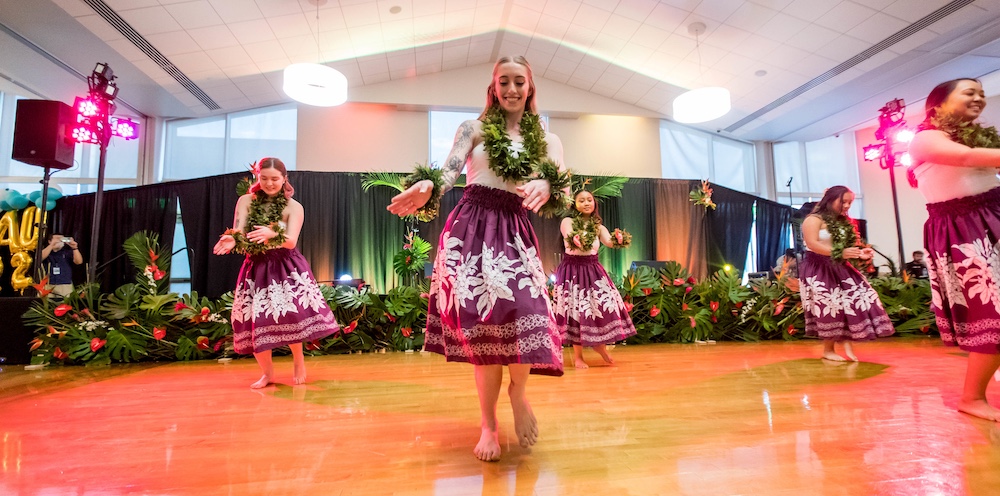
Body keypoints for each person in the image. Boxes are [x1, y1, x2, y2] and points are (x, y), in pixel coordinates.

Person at [387, 55, 567, 461]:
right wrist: (427, 185)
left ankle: (518, 391)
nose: (511, 89)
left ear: (530, 86)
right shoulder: (474, 129)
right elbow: (450, 170)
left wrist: (546, 182)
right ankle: (488, 424)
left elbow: (565, 192)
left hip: (515, 230)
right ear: (493, 86)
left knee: (527, 311)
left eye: (519, 81)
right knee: (484, 329)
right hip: (470, 230)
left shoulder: (549, 141)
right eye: (503, 81)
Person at [907, 78, 1000, 422]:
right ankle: (972, 397)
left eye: (981, 93)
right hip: (966, 229)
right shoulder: (925, 138)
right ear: (938, 105)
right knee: (993, 313)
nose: (979, 98)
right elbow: (964, 158)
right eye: (968, 93)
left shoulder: (976, 135)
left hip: (993, 216)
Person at [213, 157, 338, 389]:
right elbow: (239, 231)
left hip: (285, 266)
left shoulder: (294, 207)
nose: (269, 184)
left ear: (284, 179)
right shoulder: (245, 201)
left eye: (275, 179)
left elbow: (290, 242)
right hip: (256, 266)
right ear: (257, 177)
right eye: (264, 178)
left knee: (292, 316)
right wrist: (232, 238)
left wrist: (273, 235)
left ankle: (299, 361)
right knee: (254, 321)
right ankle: (267, 373)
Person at [799, 186, 894, 361]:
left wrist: (860, 253)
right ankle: (828, 350)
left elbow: (849, 247)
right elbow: (812, 244)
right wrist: (840, 253)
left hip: (840, 266)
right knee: (831, 305)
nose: (847, 205)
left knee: (861, 298)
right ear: (830, 199)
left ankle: (846, 339)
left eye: (850, 202)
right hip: (818, 267)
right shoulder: (813, 220)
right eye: (843, 201)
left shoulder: (843, 222)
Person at [553, 189, 635, 369]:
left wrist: (619, 239)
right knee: (576, 312)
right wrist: (578, 239)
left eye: (589, 200)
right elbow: (570, 238)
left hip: (593, 270)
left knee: (603, 307)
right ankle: (578, 357)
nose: (586, 203)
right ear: (574, 204)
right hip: (572, 271)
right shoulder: (568, 222)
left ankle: (599, 345)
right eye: (581, 200)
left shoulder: (598, 226)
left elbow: (609, 242)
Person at [40, 233, 83, 297]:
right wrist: (52, 245)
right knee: (46, 304)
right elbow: (40, 257)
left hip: (64, 285)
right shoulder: (46, 251)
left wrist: (74, 248)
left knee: (65, 304)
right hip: (47, 285)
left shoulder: (67, 252)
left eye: (62, 239)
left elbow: (79, 262)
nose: (60, 240)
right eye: (57, 238)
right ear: (49, 241)